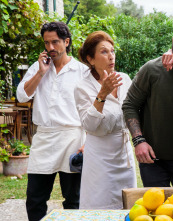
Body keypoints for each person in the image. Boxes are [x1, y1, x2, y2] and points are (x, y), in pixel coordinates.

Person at [122, 14, 173, 187]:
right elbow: (130, 104)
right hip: (153, 159)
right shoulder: (152, 69)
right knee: (155, 211)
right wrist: (139, 141)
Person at [16, 21, 87, 221]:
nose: (50, 48)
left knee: (74, 200)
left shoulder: (81, 71)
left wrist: (86, 141)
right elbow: (22, 96)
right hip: (44, 138)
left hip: (72, 137)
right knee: (35, 199)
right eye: (46, 43)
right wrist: (41, 73)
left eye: (55, 42)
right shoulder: (38, 68)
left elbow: (91, 108)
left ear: (66, 42)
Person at [75, 31, 137, 209]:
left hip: (124, 156)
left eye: (112, 51)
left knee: (128, 207)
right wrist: (102, 94)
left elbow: (133, 112)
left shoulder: (124, 79)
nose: (111, 56)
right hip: (100, 159)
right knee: (100, 207)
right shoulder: (82, 87)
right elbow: (90, 125)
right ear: (90, 59)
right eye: (104, 52)